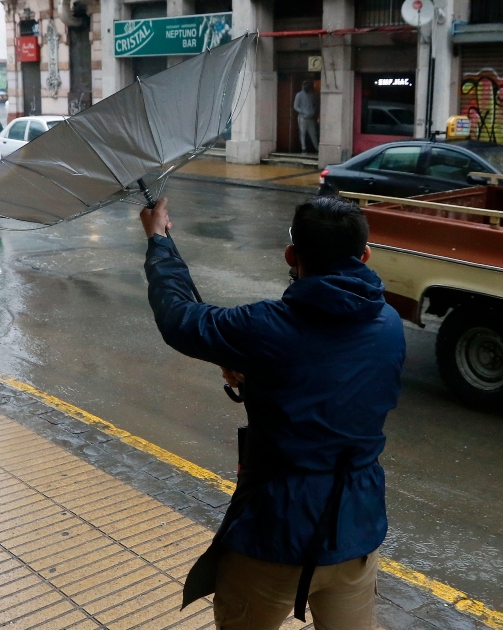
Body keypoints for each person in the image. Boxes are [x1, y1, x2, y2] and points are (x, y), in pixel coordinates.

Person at [140, 195, 406, 629]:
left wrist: (159, 240)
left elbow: (178, 317)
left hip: (274, 536)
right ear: (366, 255)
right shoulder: (390, 325)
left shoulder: (266, 327)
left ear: (291, 255)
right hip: (355, 534)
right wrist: (258, 369)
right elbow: (329, 381)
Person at [293, 80, 319, 154]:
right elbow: (295, 106)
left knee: (313, 133)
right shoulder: (299, 95)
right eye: (305, 85)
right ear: (303, 86)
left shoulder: (311, 95)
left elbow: (314, 105)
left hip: (310, 117)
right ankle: (303, 148)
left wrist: (313, 111)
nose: (307, 86)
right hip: (303, 117)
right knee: (302, 133)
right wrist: (303, 112)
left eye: (308, 85)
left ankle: (316, 147)